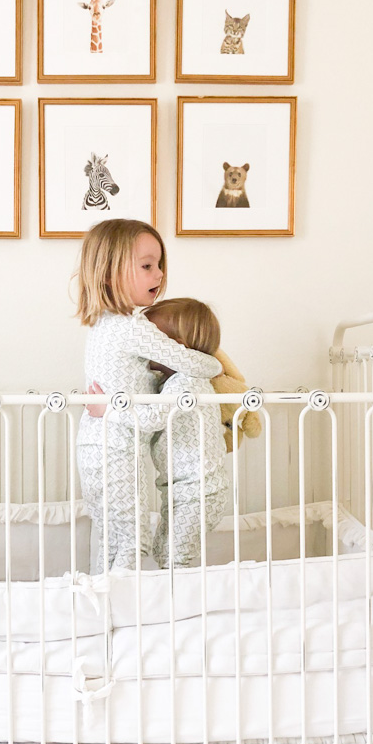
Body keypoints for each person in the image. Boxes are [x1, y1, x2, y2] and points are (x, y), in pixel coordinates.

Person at [75, 219, 222, 573]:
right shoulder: (131, 327)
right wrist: (217, 364)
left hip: (101, 442)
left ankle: (108, 606)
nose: (158, 275)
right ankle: (122, 609)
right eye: (146, 266)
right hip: (116, 442)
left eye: (159, 265)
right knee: (129, 538)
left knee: (115, 536)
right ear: (109, 273)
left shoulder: (103, 323)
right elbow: (191, 362)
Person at [143, 298, 230, 568]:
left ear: (176, 348)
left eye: (150, 338)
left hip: (201, 491)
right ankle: (170, 597)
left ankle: (179, 605)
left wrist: (110, 410)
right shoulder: (169, 382)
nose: (143, 344)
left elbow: (153, 418)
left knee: (175, 558)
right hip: (180, 490)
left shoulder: (187, 382)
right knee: (162, 551)